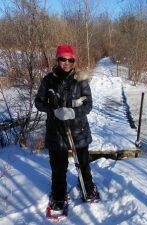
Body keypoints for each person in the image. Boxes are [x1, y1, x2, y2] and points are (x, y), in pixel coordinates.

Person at [35, 45, 99, 210]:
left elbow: (88, 105)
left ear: (74, 61)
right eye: (63, 59)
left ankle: (87, 187)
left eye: (70, 59)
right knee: (58, 168)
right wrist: (54, 110)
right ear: (57, 60)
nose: (66, 62)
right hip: (56, 132)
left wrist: (72, 111)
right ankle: (58, 194)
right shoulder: (48, 79)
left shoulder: (81, 79)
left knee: (83, 164)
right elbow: (38, 102)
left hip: (79, 130)